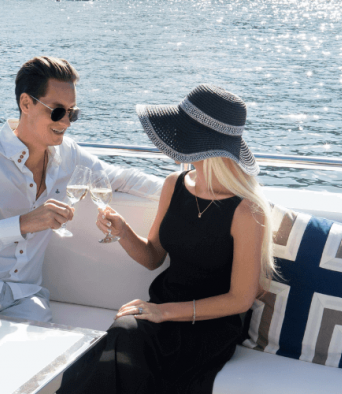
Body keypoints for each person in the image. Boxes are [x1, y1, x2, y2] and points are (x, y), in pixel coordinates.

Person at [63, 84, 277, 394]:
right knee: (121, 340)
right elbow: (153, 257)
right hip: (161, 310)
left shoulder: (246, 210)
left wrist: (164, 313)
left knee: (121, 338)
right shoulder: (174, 184)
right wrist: (122, 231)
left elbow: (241, 299)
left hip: (209, 325)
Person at [0, 56, 162, 322]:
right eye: (57, 111)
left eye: (72, 113)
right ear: (26, 103)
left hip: (25, 299)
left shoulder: (69, 154)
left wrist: (186, 190)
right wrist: (22, 224)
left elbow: (123, 179)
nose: (65, 122)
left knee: (46, 362)